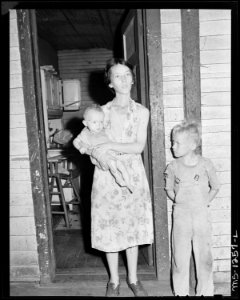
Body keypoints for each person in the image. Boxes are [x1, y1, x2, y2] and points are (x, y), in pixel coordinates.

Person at [74, 58, 154, 297]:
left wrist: (109, 143)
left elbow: (138, 146)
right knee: (109, 228)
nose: (124, 79)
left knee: (131, 228)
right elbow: (85, 142)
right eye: (117, 76)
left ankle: (133, 279)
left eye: (127, 74)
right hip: (107, 177)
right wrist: (94, 151)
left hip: (132, 175)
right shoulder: (101, 112)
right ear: (109, 82)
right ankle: (114, 281)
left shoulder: (142, 111)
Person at [164, 120, 220, 296]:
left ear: (193, 145)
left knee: (204, 257)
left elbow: (216, 186)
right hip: (181, 216)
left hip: (201, 216)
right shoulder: (172, 167)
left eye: (177, 142)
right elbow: (169, 189)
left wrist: (203, 202)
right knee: (179, 259)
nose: (172, 146)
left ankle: (205, 292)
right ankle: (180, 292)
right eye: (172, 141)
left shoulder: (206, 164)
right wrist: (181, 202)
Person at [73, 104, 133, 193]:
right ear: (86, 123)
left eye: (101, 122)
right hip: (99, 154)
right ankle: (118, 179)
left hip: (110, 152)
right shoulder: (85, 133)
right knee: (112, 163)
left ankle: (128, 183)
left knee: (121, 166)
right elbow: (75, 141)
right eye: (94, 122)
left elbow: (111, 139)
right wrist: (81, 148)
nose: (98, 125)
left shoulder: (103, 130)